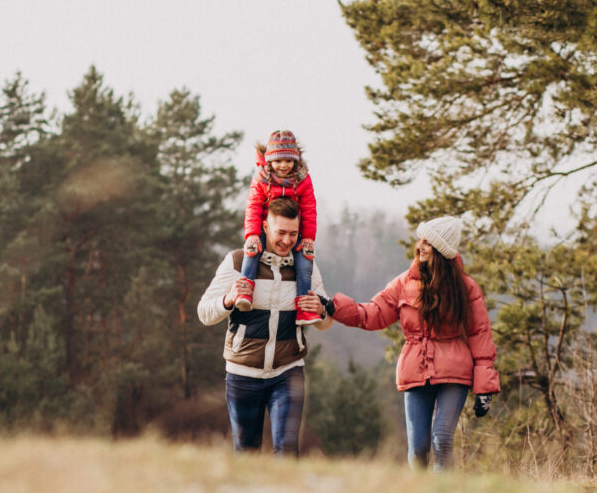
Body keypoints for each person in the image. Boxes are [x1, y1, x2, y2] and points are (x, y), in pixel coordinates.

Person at [323, 215, 500, 470]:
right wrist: (335, 307)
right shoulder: (404, 282)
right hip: (415, 371)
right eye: (421, 239)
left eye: (428, 242)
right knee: (417, 449)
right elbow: (373, 313)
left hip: (455, 373)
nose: (421, 246)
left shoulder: (466, 288)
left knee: (442, 440)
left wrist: (485, 387)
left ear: (441, 250)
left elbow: (480, 334)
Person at [197, 196, 332, 455]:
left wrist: (321, 311)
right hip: (242, 373)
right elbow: (204, 313)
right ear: (265, 226)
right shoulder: (237, 262)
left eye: (293, 234)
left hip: (288, 371)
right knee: (246, 452)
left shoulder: (306, 268)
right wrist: (229, 300)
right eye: (280, 232)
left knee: (287, 450)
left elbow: (324, 323)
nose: (287, 241)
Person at [235, 130, 320, 325]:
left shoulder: (302, 179)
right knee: (252, 251)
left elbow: (309, 208)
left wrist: (307, 237)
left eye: (288, 161)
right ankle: (246, 287)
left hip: (292, 227)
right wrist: (252, 234)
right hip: (268, 228)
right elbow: (253, 206)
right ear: (270, 161)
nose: (284, 166)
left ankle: (304, 305)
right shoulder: (262, 179)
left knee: (305, 260)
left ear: (295, 161)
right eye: (279, 161)